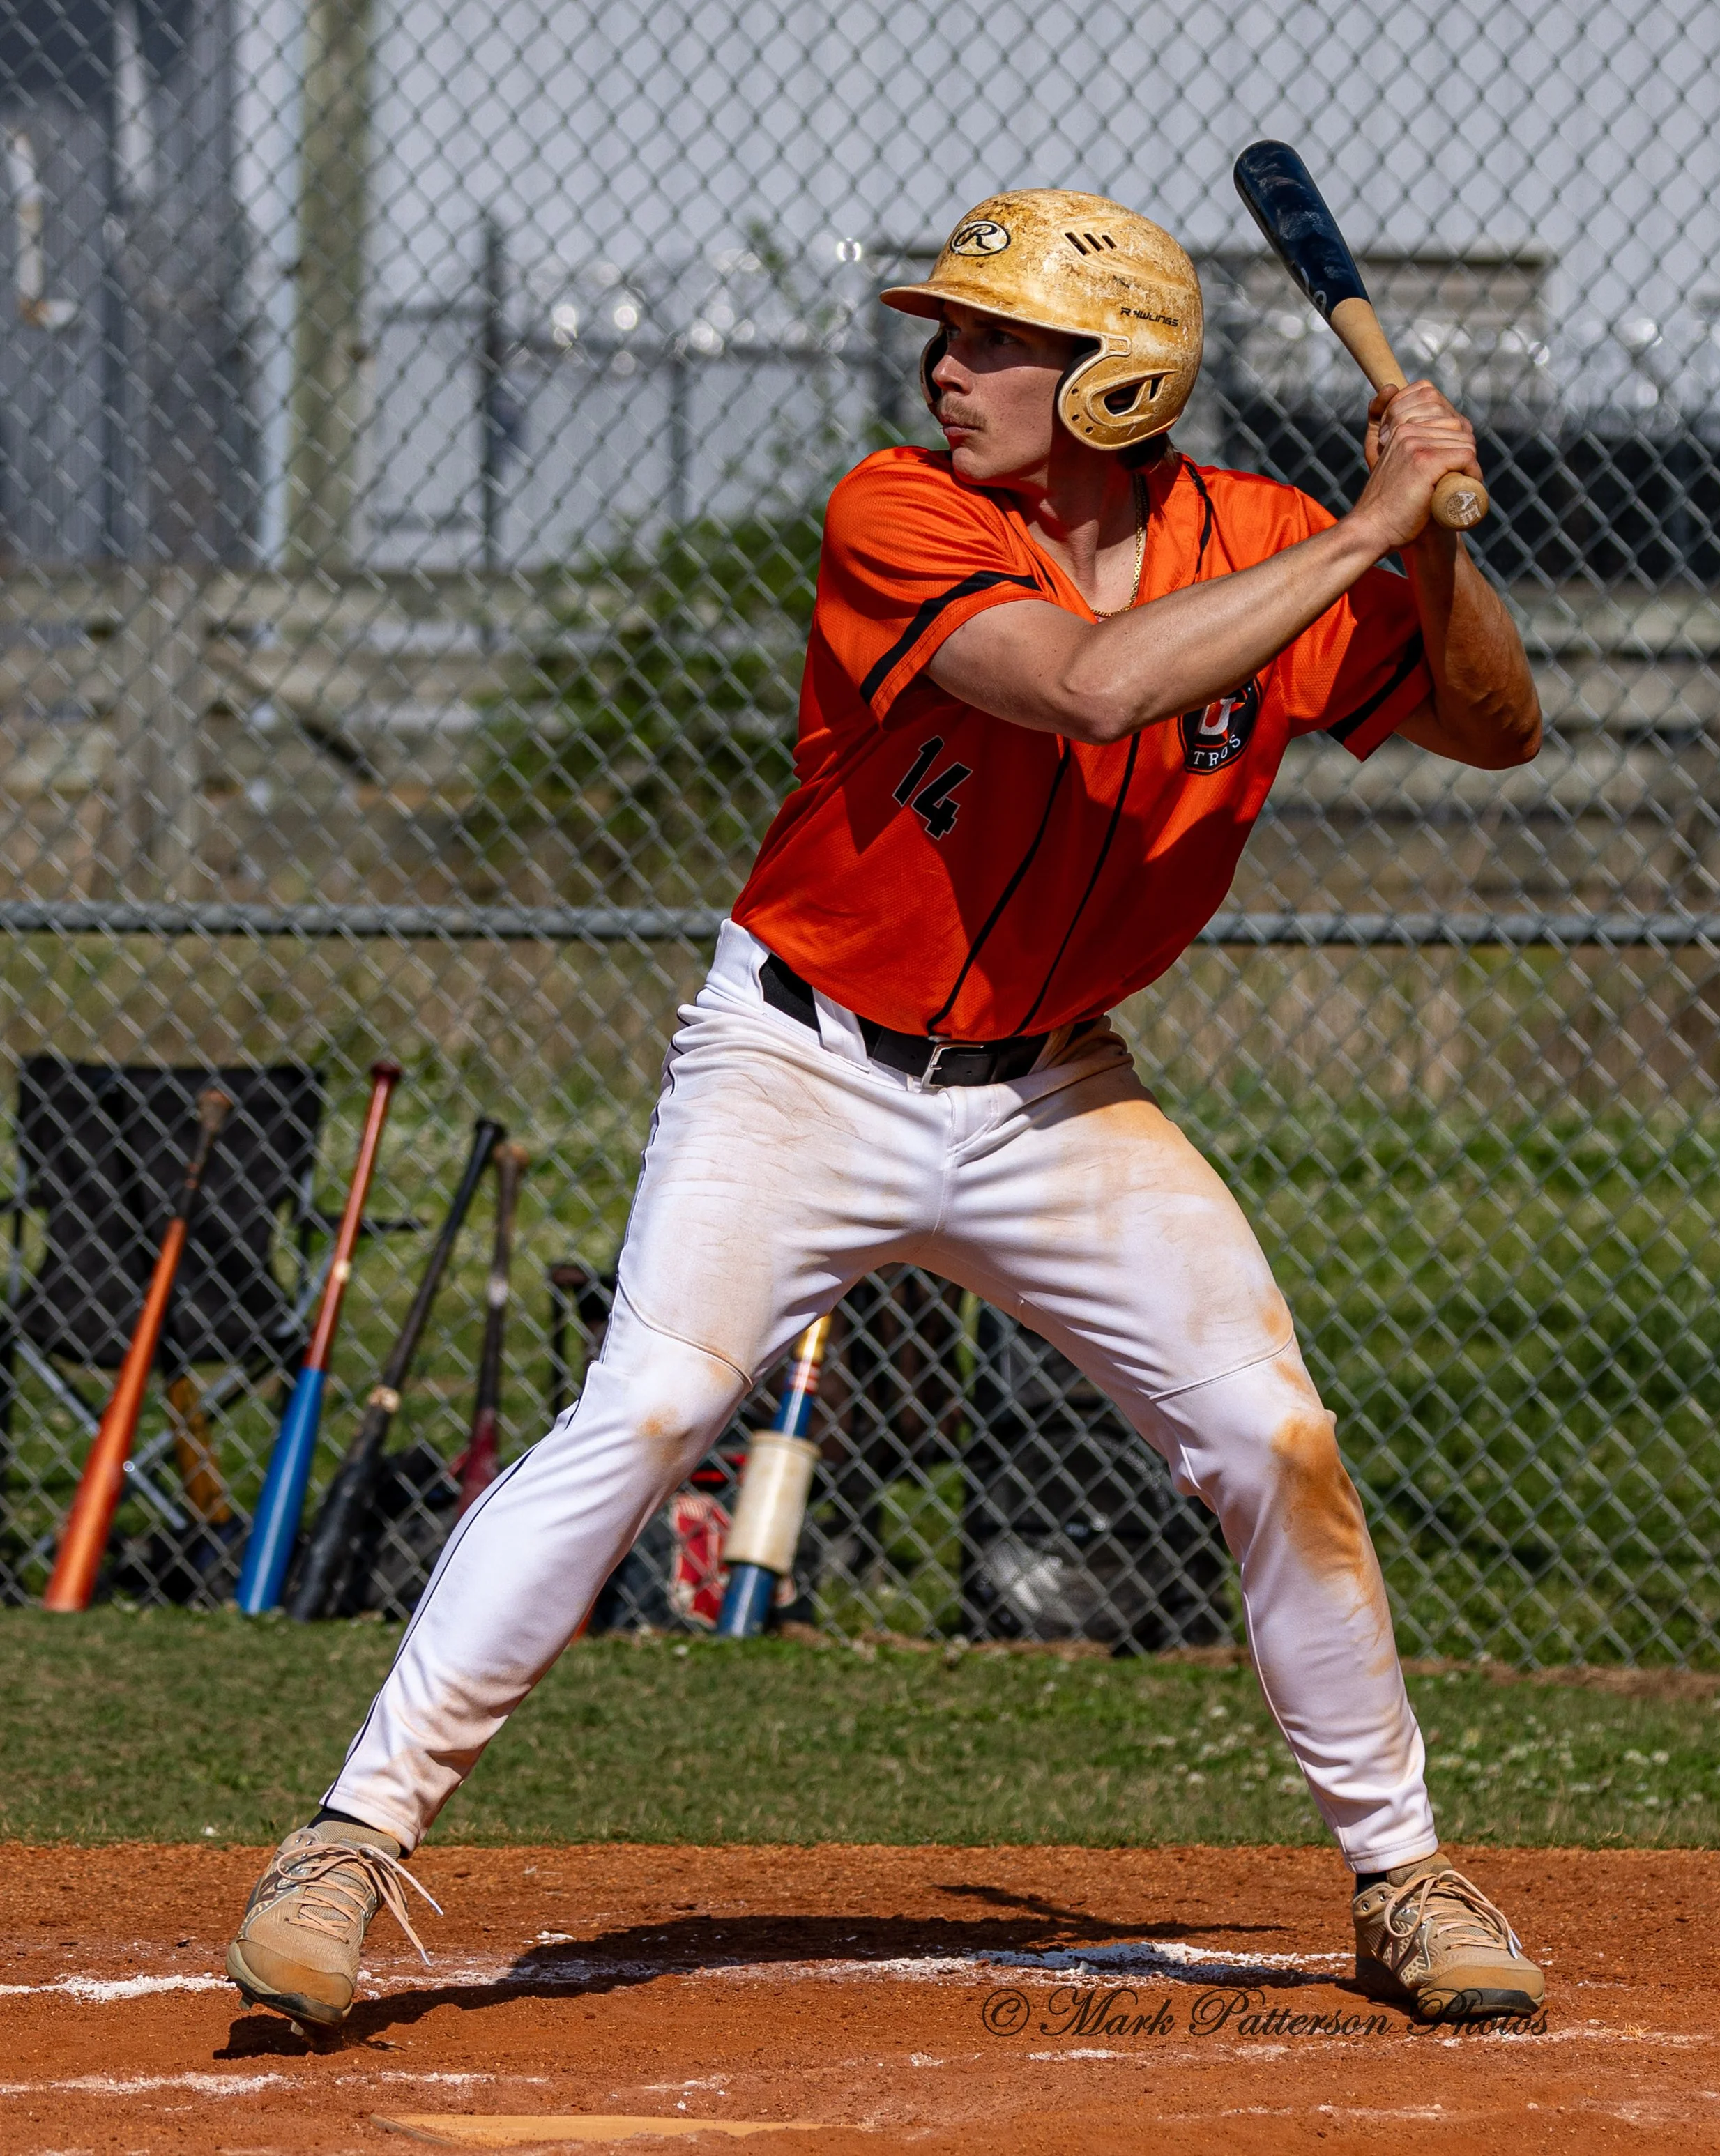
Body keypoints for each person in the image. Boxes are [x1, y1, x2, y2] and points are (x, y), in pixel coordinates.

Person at [227, 190, 1545, 2030]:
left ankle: (1402, 1871)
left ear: (1121, 380)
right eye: (950, 331)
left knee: (1276, 1441)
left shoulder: (1261, 540)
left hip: (1054, 1096)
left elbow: (1497, 724)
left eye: (997, 339)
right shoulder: (900, 511)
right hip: (802, 1062)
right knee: (650, 1405)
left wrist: (1425, 555)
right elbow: (1084, 689)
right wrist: (1365, 539)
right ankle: (346, 1844)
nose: (947, 363)